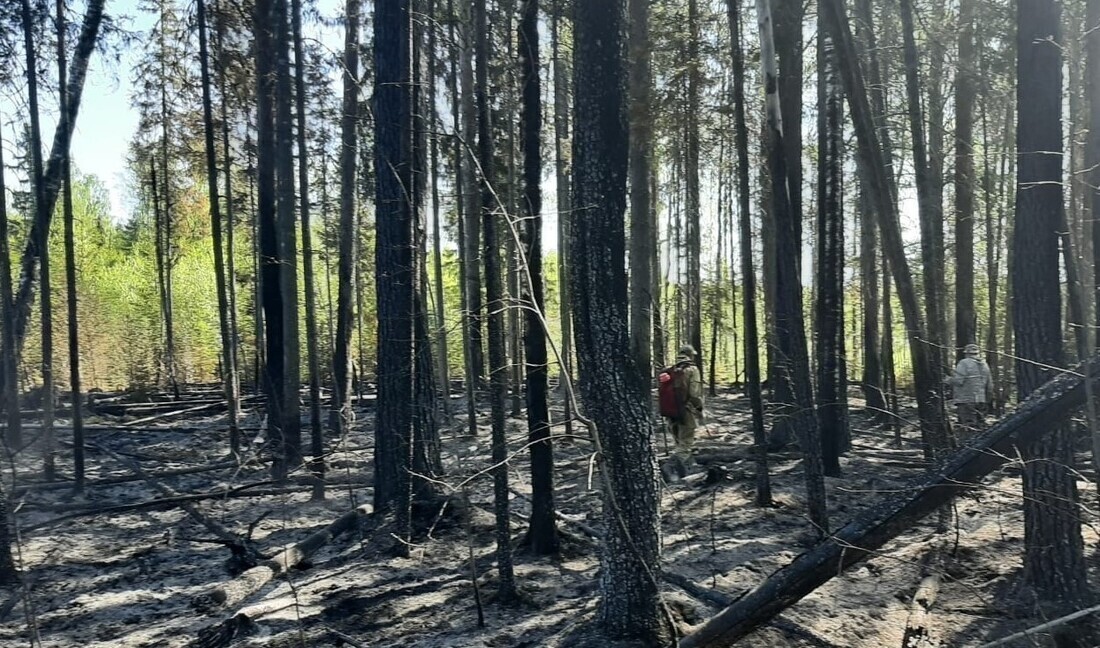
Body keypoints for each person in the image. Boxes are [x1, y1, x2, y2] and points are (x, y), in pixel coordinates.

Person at [668, 344, 704, 469]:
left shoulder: (671, 369)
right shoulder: (692, 370)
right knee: (686, 442)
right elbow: (694, 393)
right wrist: (699, 408)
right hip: (686, 409)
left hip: (670, 410)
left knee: (679, 440)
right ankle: (672, 470)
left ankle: (685, 467)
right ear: (690, 355)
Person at [948, 343, 993, 438]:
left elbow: (958, 381)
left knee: (968, 427)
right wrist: (987, 400)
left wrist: (947, 380)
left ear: (966, 353)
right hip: (981, 400)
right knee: (980, 426)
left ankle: (968, 448)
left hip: (965, 400)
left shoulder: (964, 363)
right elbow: (989, 385)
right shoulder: (985, 364)